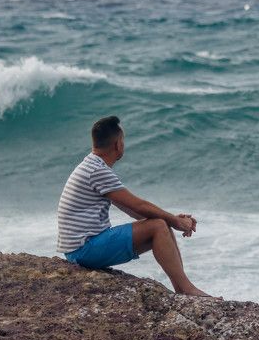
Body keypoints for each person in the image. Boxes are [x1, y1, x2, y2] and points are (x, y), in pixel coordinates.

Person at [56, 115, 212, 297]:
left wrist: (171, 220)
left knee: (160, 224)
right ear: (118, 144)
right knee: (159, 226)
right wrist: (176, 221)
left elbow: (130, 209)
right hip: (84, 250)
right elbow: (138, 205)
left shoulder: (90, 165)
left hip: (79, 249)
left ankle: (181, 288)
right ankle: (187, 289)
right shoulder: (97, 171)